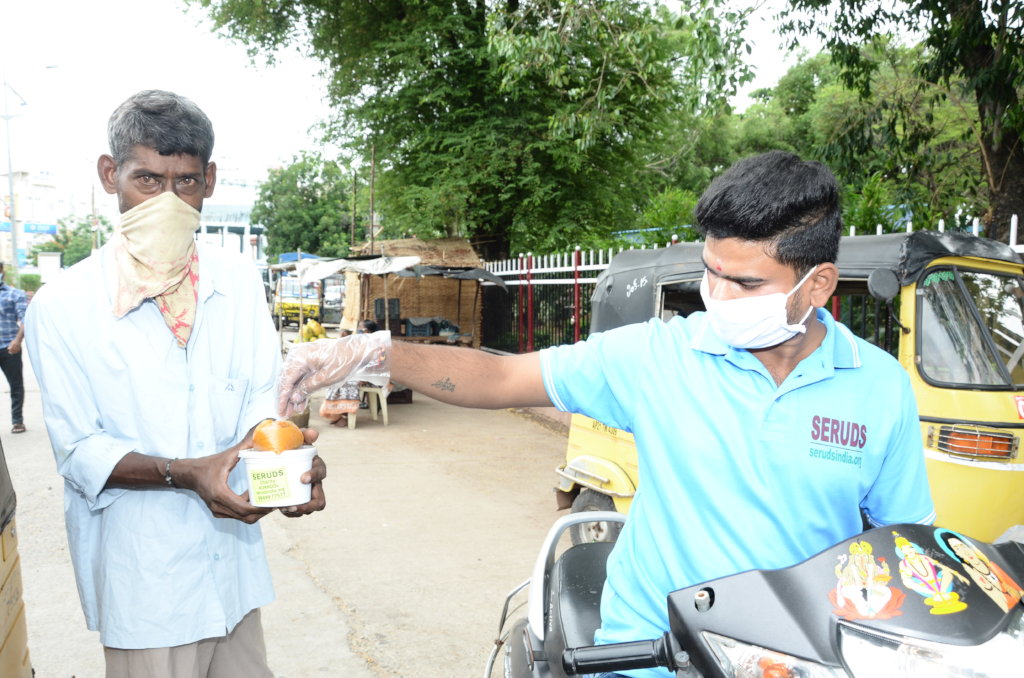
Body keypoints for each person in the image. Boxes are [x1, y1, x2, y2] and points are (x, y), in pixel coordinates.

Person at [278, 150, 934, 678]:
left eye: (745, 284)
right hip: (644, 656)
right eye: (711, 273)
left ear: (816, 284)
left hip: (793, 663)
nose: (719, 296)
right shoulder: (659, 356)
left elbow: (906, 549)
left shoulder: (879, 389)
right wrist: (369, 353)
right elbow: (502, 374)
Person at [25, 90, 327, 678]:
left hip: (233, 575)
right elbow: (80, 450)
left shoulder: (238, 283)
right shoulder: (62, 305)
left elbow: (261, 409)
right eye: (147, 179)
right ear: (110, 175)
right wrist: (185, 473)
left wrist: (289, 471)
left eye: (185, 182)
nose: (167, 200)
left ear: (209, 180)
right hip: (147, 586)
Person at [0, 262, 27, 434]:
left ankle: (17, 420)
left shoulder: (14, 294)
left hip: (9, 347)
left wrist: (17, 341)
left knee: (16, 385)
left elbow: (26, 319)